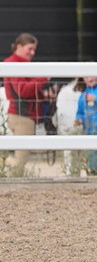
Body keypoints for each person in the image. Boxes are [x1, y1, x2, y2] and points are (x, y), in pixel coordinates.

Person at [3, 33, 52, 174]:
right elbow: (23, 91)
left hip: (21, 114)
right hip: (22, 116)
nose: (33, 53)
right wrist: (43, 79)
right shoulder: (13, 64)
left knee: (22, 154)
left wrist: (43, 95)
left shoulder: (17, 64)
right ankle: (11, 177)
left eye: (34, 49)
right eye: (30, 48)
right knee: (21, 158)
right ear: (19, 46)